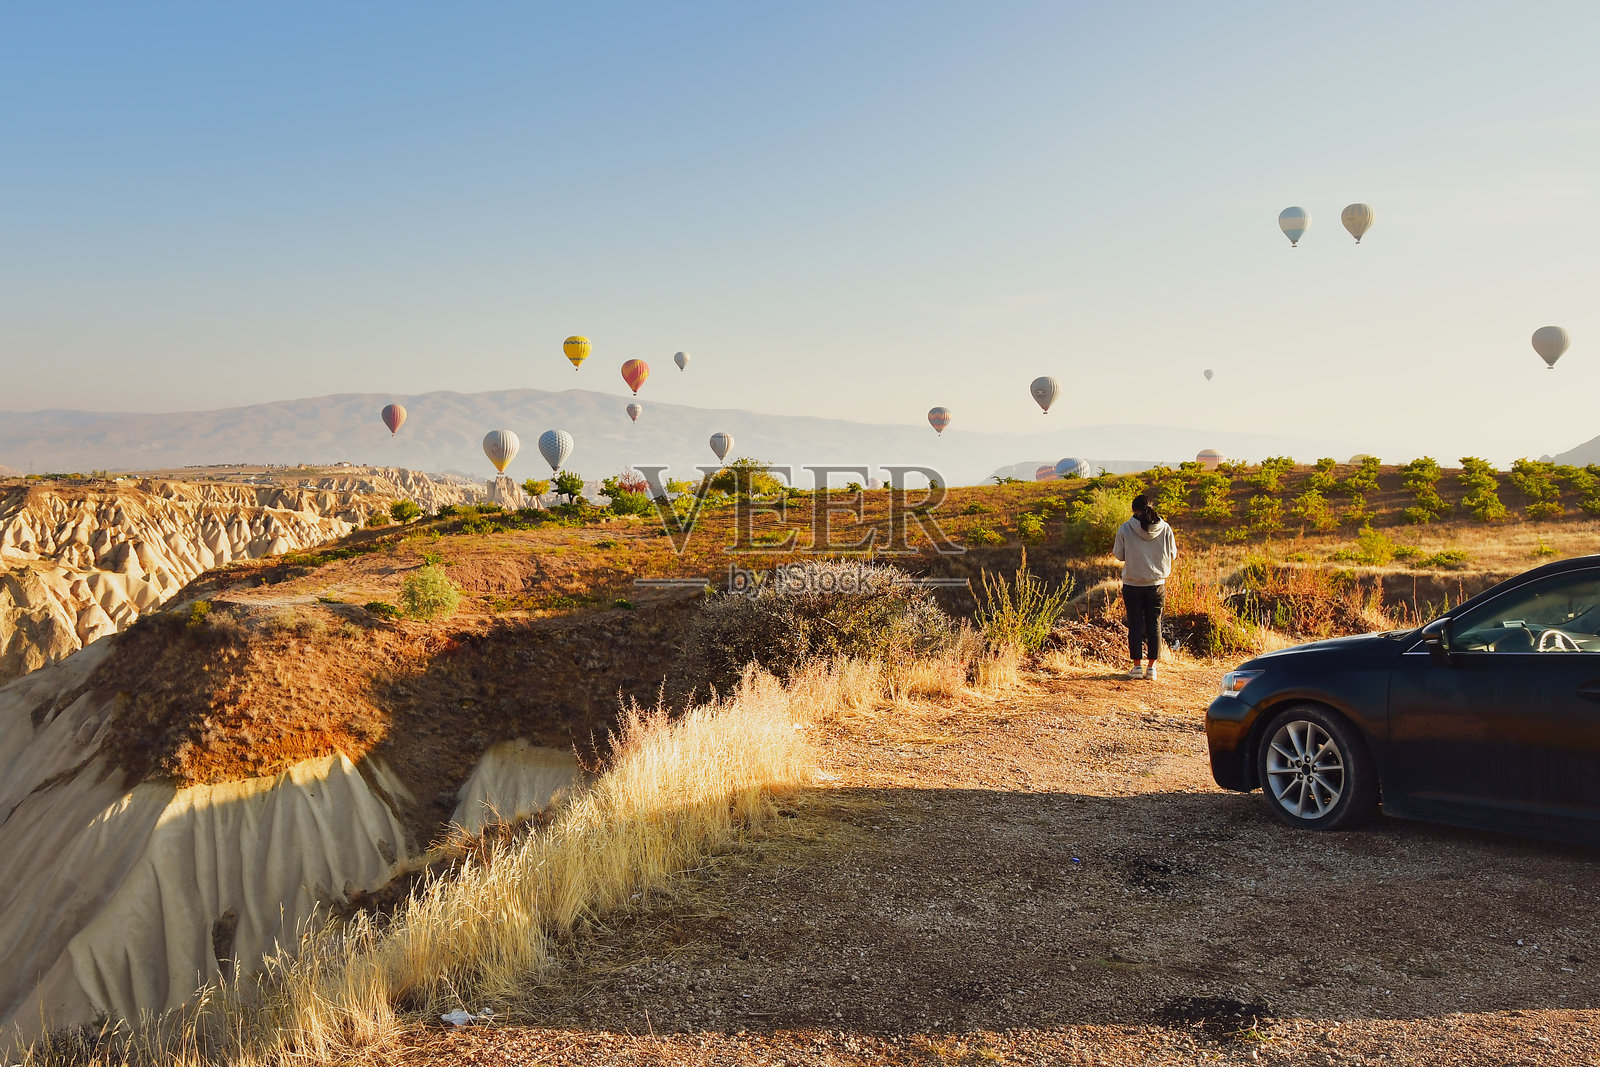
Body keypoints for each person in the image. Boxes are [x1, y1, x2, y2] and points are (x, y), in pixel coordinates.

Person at [1113, 493, 1177, 681]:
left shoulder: (1125, 528)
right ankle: (1152, 668)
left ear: (1134, 510)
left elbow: (1119, 555)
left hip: (1132, 584)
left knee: (1135, 624)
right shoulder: (1165, 528)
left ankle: (1136, 667)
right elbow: (1172, 554)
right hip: (1156, 584)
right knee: (1154, 624)